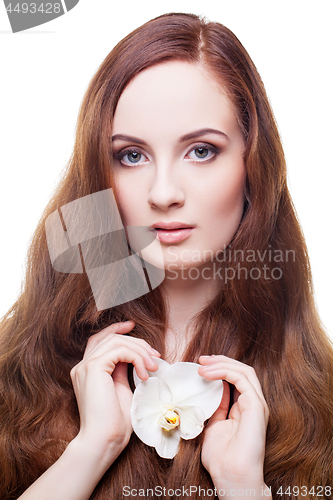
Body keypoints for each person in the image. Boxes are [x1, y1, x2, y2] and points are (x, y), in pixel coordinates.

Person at [0, 12, 332, 500]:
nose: (163, 193)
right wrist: (91, 450)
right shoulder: (21, 364)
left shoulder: (320, 391)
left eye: (201, 150)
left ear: (252, 166)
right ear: (100, 177)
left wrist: (245, 487)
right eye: (131, 156)